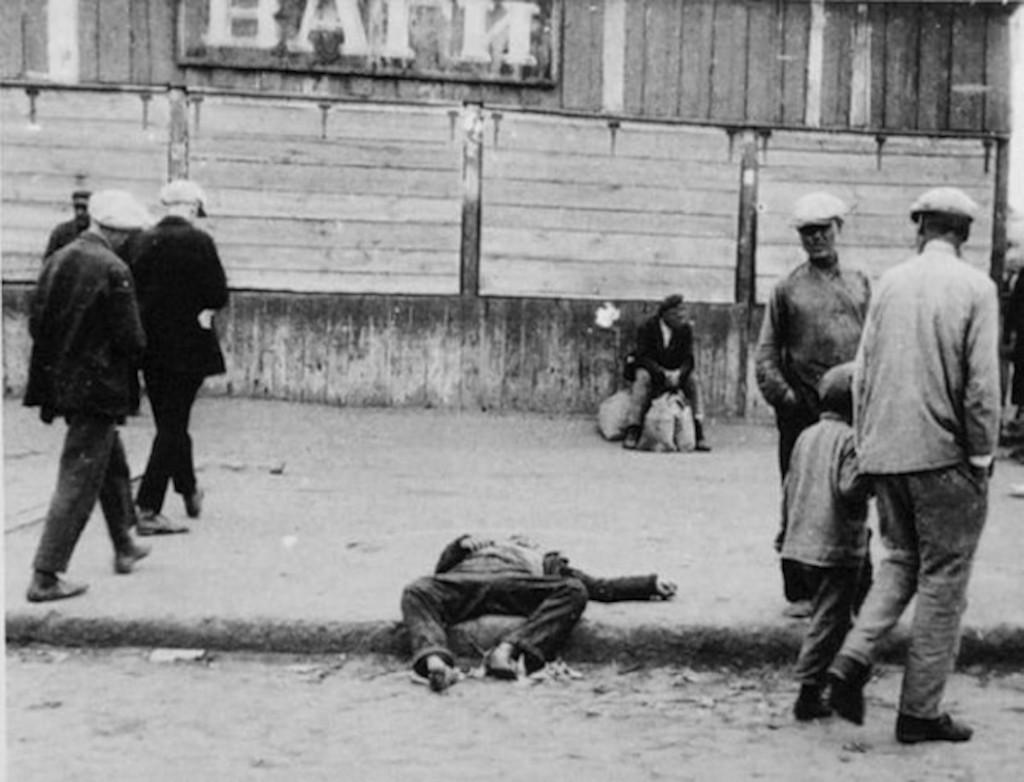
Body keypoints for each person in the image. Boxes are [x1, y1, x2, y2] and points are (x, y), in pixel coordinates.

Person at [827, 187, 1000, 744]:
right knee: (944, 581)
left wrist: (868, 447)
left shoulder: (891, 282)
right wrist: (981, 454)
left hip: (886, 453)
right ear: (965, 234)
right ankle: (919, 712)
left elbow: (865, 371)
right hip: (944, 456)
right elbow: (981, 387)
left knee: (900, 560)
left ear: (919, 227)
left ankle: (851, 659)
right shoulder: (978, 288)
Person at [22, 190, 153, 602]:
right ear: (114, 232)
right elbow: (132, 338)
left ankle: (124, 543)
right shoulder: (114, 269)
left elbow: (37, 320)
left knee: (111, 464)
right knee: (78, 478)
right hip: (101, 388)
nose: (130, 241)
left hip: (64, 383)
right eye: (128, 234)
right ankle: (46, 574)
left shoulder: (59, 258)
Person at [757, 192, 871, 614]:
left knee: (854, 495)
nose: (816, 239)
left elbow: (875, 345)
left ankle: (857, 591)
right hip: (803, 413)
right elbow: (766, 354)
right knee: (798, 496)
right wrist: (788, 402)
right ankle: (800, 591)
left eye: (823, 229)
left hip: (854, 411)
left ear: (839, 229)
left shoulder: (861, 283)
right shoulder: (787, 289)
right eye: (807, 232)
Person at [401, 533, 677, 693]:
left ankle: (508, 649)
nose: (518, 539)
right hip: (467, 582)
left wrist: (648, 584)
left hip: (517, 584)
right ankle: (436, 663)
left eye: (525, 540)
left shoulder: (546, 560)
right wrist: (460, 545)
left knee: (574, 589)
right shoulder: (475, 549)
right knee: (416, 589)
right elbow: (440, 573)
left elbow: (599, 588)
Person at [131, 179, 229, 535]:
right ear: (191, 208)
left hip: (150, 347)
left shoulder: (140, 240)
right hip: (189, 347)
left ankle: (188, 488)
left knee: (169, 422)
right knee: (173, 425)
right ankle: (146, 507)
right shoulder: (200, 242)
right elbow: (217, 293)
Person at [778, 363, 872, 721]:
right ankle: (809, 690)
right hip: (835, 547)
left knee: (834, 617)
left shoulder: (806, 436)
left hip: (801, 542)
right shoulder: (851, 440)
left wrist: (783, 530)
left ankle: (838, 681)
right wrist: (872, 474)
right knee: (830, 622)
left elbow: (789, 487)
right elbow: (851, 488)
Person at [621, 293, 711, 451]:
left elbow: (689, 359)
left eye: (683, 312)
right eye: (677, 313)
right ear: (666, 314)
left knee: (694, 381)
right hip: (654, 372)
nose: (681, 316)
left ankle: (699, 431)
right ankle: (633, 429)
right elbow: (643, 357)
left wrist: (678, 374)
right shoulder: (647, 328)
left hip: (675, 373)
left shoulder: (685, 329)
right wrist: (662, 374)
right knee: (642, 378)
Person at [43, 189, 91, 259]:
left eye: (84, 208)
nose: (79, 213)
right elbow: (48, 262)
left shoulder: (99, 234)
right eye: (77, 208)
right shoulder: (61, 232)